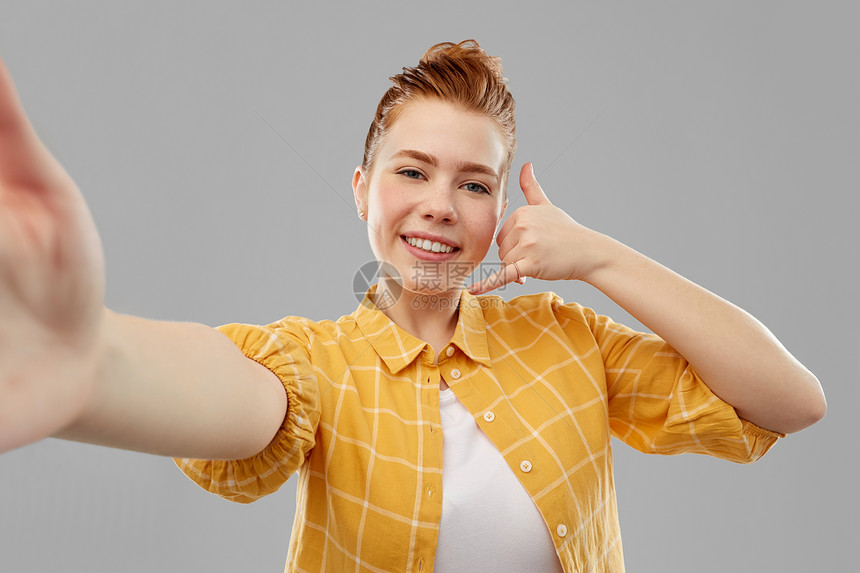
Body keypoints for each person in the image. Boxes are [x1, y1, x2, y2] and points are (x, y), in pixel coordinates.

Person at [0, 39, 826, 572]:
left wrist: (600, 257)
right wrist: (92, 366)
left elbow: (791, 401)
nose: (440, 204)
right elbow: (234, 396)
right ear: (362, 188)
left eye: (474, 185)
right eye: (411, 171)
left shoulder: (570, 342)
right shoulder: (319, 366)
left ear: (500, 211)